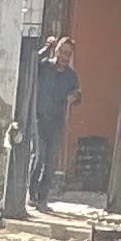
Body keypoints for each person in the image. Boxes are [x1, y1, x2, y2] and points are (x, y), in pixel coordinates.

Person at [27, 34, 81, 213]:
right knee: (39, 157)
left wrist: (74, 97)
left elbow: (77, 94)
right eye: (62, 52)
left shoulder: (71, 76)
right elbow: (31, 65)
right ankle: (31, 194)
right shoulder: (44, 67)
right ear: (56, 51)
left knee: (50, 161)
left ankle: (43, 198)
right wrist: (45, 49)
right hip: (39, 118)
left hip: (57, 122)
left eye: (68, 54)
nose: (65, 57)